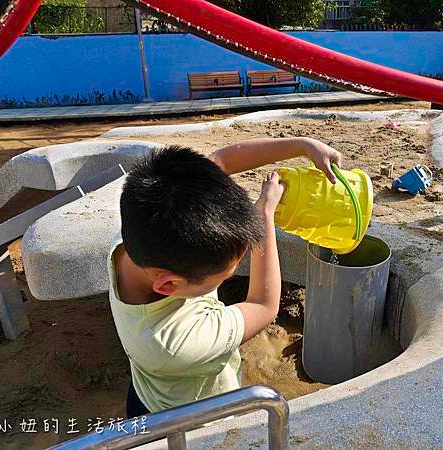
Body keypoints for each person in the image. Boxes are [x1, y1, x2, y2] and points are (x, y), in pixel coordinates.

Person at [108, 138, 342, 418]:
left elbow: (220, 160)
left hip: (148, 388)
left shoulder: (137, 236)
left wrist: (303, 146)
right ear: (169, 285)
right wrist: (264, 214)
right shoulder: (175, 343)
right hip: (190, 419)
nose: (228, 277)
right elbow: (263, 306)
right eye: (223, 276)